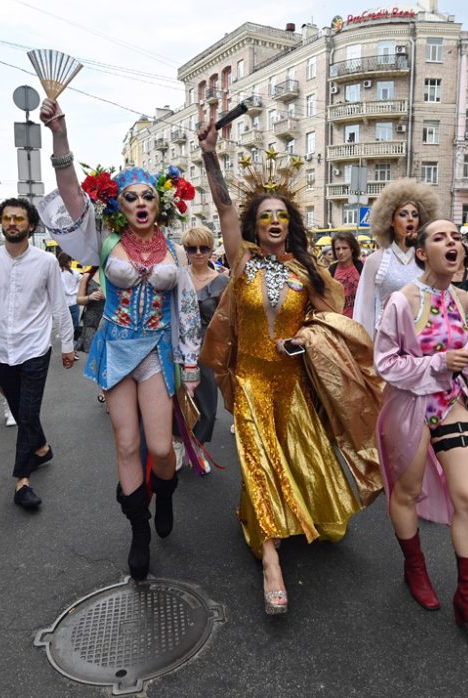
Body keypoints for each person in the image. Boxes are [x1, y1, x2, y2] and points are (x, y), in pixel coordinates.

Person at [197, 120, 380, 615]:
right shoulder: (242, 262)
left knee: (297, 454)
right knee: (260, 459)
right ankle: (272, 558)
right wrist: (211, 156)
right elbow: (224, 208)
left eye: (281, 216)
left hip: (294, 382)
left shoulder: (306, 270)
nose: (274, 222)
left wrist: (309, 335)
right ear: (255, 228)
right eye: (265, 217)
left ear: (289, 224)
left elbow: (331, 319)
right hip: (252, 381)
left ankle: (291, 514)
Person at [38, 98, 201, 581]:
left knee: (160, 448)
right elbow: (70, 194)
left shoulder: (173, 246)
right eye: (130, 197)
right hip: (115, 348)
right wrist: (60, 135)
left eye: (147, 196)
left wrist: (189, 363)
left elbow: (185, 305)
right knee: (126, 444)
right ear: (118, 205)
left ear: (159, 203)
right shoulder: (104, 239)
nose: (140, 204)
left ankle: (165, 494)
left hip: (155, 349)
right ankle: (138, 530)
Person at [375, 219, 468, 651]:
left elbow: (462, 361)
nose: (452, 243)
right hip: (409, 409)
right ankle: (415, 568)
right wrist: (436, 364)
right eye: (439, 237)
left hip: (451, 404)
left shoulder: (464, 299)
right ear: (422, 253)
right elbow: (386, 363)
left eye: (456, 238)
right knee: (406, 493)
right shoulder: (402, 299)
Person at [0, 198, 75, 510]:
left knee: (25, 413)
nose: (13, 223)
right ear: (1, 222)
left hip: (34, 347)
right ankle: (41, 447)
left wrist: (67, 345)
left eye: (19, 219)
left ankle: (22, 481)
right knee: (19, 406)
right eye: (8, 218)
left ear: (30, 226)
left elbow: (58, 305)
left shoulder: (46, 262)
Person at [352, 179, 439, 338]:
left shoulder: (428, 260)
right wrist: (365, 349)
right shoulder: (375, 261)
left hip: (422, 341)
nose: (410, 219)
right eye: (403, 214)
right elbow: (364, 309)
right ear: (390, 221)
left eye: (415, 214)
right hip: (386, 341)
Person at [183, 225, 229, 451]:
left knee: (208, 405)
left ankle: (197, 447)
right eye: (192, 248)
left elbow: (229, 319)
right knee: (179, 400)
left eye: (204, 248)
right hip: (179, 346)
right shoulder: (177, 279)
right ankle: (179, 442)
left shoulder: (222, 282)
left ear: (212, 250)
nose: (198, 253)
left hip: (209, 348)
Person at [76, 266, 106, 403]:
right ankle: (102, 389)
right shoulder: (87, 277)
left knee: (108, 359)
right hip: (91, 323)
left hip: (108, 323)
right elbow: (79, 299)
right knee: (96, 359)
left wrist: (107, 296)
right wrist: (90, 297)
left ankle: (108, 391)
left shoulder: (114, 274)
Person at [329, 231, 362, 319]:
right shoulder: (330, 271)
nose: (340, 252)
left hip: (359, 322)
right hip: (339, 323)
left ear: (352, 249)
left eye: (344, 248)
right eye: (337, 248)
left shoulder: (362, 268)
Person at [57, 251, 82, 342]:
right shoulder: (75, 272)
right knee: (75, 324)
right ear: (69, 261)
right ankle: (74, 343)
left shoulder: (57, 273)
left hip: (63, 303)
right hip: (74, 302)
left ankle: (66, 341)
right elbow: (83, 281)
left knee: (64, 325)